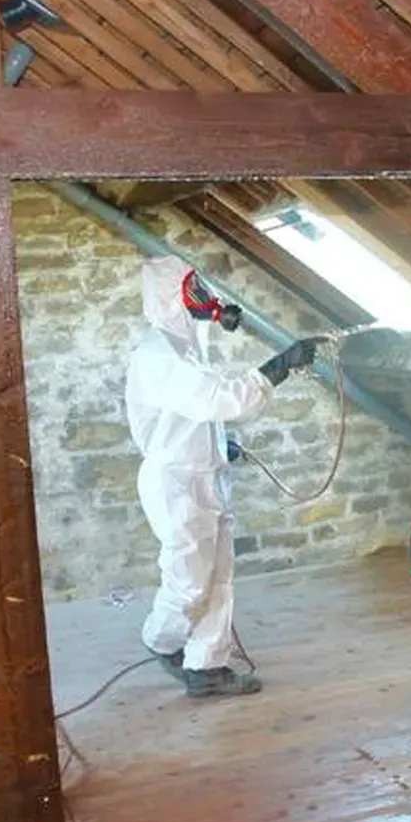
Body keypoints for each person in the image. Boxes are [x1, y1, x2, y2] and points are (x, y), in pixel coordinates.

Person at [124, 256, 318, 698]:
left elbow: (192, 414)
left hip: (204, 473)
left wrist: (217, 444)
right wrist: (278, 368)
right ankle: (162, 639)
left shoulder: (187, 348)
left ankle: (207, 666)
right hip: (176, 482)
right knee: (190, 581)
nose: (204, 301)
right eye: (194, 292)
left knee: (219, 576)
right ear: (172, 298)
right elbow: (218, 400)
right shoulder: (159, 353)